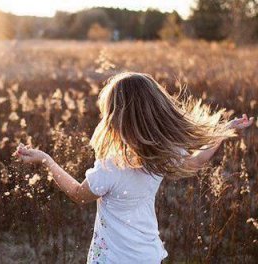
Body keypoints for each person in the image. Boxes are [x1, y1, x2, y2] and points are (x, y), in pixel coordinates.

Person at [14, 72, 254, 264]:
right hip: (148, 255)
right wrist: (223, 132)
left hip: (111, 259)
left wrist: (46, 159)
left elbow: (78, 194)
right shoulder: (162, 155)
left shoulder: (111, 166)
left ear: (117, 118)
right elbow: (195, 161)